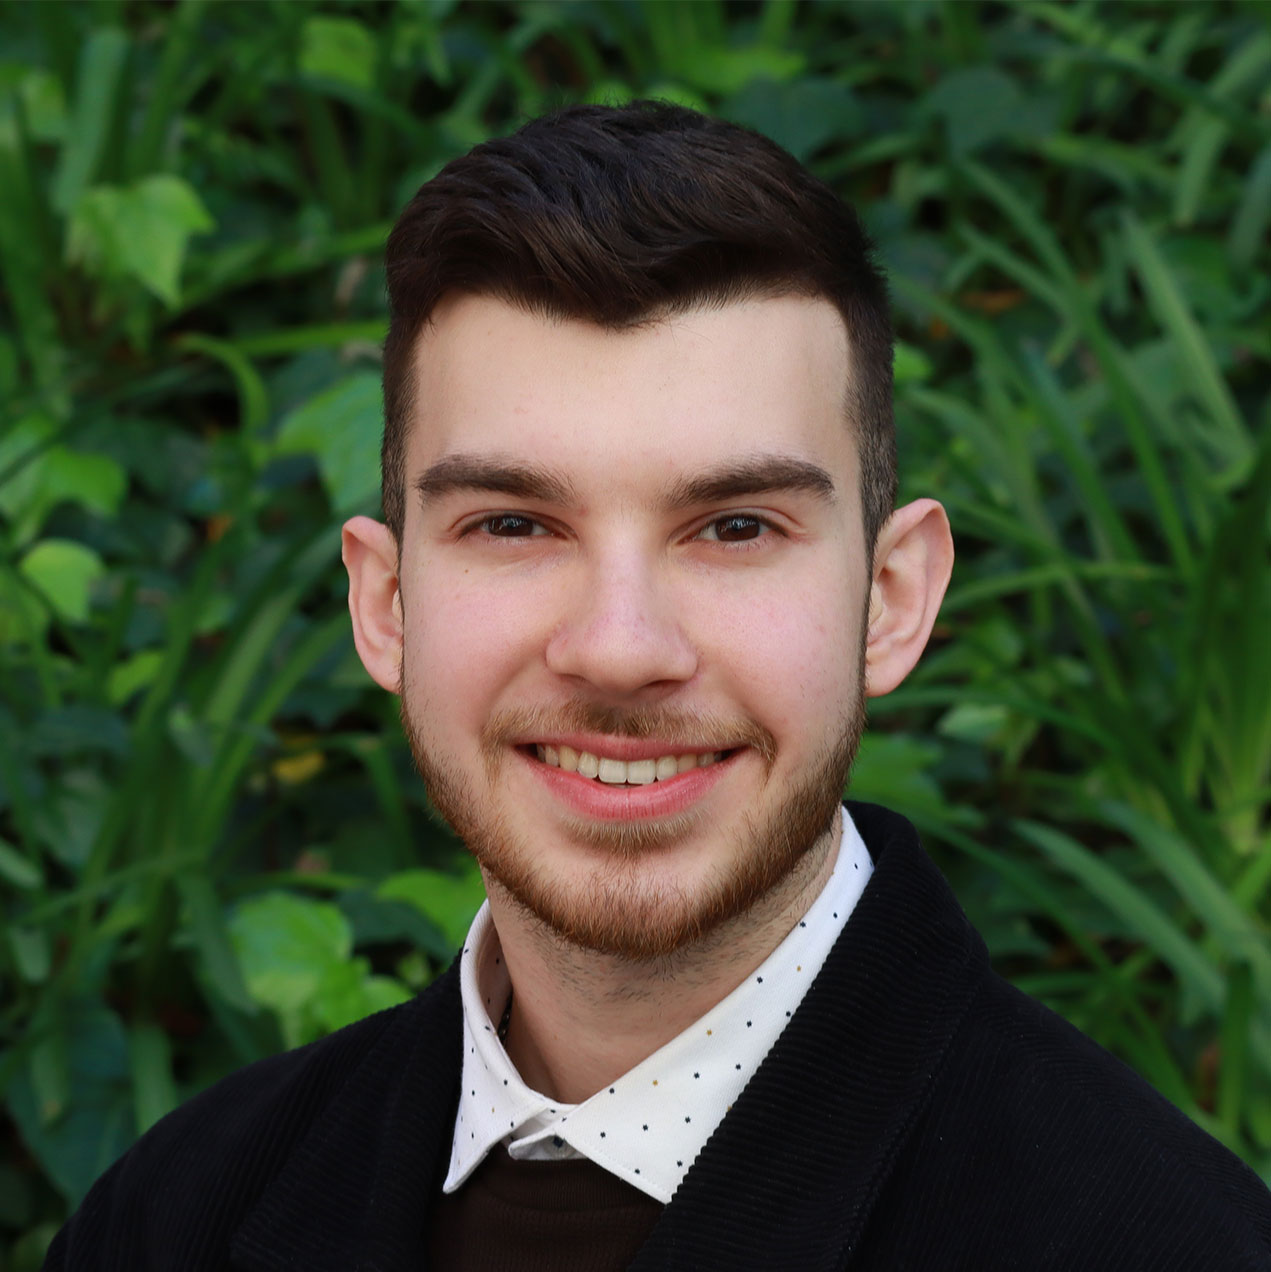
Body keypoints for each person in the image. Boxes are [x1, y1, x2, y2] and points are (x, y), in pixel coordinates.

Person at [46, 101, 1271, 1272]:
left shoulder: (1173, 1245)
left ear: (891, 601)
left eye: (734, 527)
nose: (620, 648)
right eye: (514, 524)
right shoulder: (169, 1223)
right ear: (385, 604)